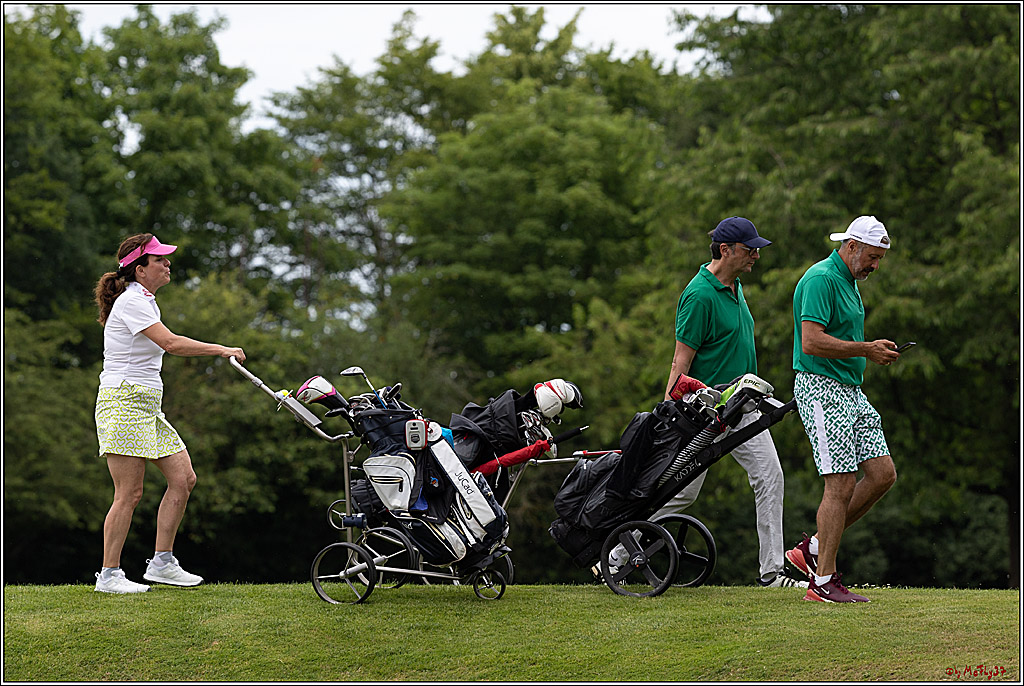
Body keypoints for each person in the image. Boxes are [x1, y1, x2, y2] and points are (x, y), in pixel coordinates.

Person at [609, 217, 806, 589]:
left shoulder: (736, 287)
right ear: (725, 250)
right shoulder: (699, 295)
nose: (756, 256)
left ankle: (772, 574)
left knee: (769, 476)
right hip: (706, 412)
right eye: (750, 250)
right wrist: (667, 412)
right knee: (681, 492)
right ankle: (618, 552)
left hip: (742, 405)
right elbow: (681, 359)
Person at [92, 233, 246, 593]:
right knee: (129, 493)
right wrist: (220, 349)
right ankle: (109, 575)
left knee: (184, 479)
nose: (167, 264)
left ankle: (162, 563)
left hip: (146, 405)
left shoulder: (144, 299)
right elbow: (171, 343)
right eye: (159, 259)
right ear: (139, 269)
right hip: (122, 401)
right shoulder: (132, 302)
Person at [785, 215, 899, 603]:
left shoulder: (849, 281)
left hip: (850, 389)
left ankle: (814, 548)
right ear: (851, 247)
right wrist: (867, 348)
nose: (875, 266)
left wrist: (870, 352)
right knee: (840, 483)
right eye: (871, 256)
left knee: (883, 474)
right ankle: (822, 582)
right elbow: (812, 342)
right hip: (820, 388)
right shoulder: (821, 279)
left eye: (879, 258)